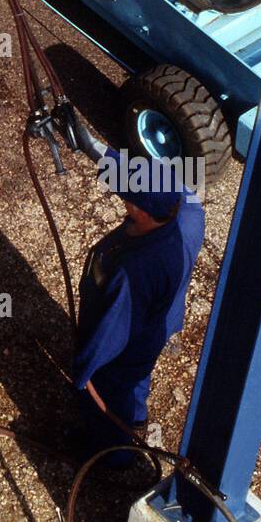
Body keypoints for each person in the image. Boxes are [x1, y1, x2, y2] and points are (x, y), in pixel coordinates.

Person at [72, 149, 205, 466]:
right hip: (159, 321)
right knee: (137, 378)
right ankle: (137, 418)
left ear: (141, 211)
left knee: (111, 390)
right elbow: (144, 179)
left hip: (127, 344)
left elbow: (111, 335)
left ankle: (112, 455)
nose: (122, 198)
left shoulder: (137, 273)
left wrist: (83, 372)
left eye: (128, 197)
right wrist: (90, 146)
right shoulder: (186, 210)